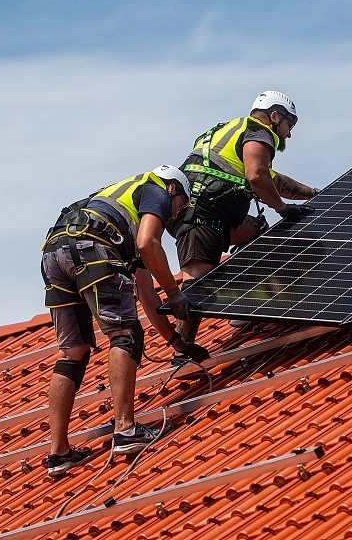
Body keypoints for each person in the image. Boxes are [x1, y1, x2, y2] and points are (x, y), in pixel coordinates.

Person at [40, 165, 210, 476]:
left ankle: (59, 453)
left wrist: (176, 342)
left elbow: (147, 296)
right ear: (174, 190)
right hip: (93, 248)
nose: (174, 216)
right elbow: (149, 243)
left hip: (56, 252)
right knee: (124, 335)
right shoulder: (157, 187)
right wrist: (175, 293)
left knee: (72, 353)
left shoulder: (119, 212)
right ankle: (126, 429)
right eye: (180, 206)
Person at [168, 91, 317, 341]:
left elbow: (272, 180)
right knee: (195, 283)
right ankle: (183, 352)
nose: (288, 134)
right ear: (274, 116)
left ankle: (244, 309)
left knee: (258, 232)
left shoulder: (231, 131)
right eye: (289, 125)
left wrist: (312, 193)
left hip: (205, 214)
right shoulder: (260, 132)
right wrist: (282, 209)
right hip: (200, 217)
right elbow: (257, 176)